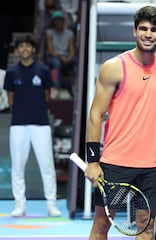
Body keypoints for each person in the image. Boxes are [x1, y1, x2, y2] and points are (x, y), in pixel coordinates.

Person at [84, 6, 156, 240]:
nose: (148, 34)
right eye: (143, 28)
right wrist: (92, 161)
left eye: (154, 29)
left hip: (152, 166)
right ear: (134, 31)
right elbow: (95, 115)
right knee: (102, 225)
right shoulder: (113, 67)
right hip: (116, 164)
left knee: (146, 227)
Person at [3, 34, 61, 217]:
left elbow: (47, 95)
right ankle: (19, 205)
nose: (25, 49)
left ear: (33, 49)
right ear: (17, 50)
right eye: (21, 47)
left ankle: (51, 204)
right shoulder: (11, 72)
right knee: (18, 167)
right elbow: (10, 99)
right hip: (18, 125)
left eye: (28, 46)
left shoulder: (43, 70)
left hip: (41, 124)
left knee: (47, 165)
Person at [45, 10, 75, 92]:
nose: (58, 22)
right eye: (56, 20)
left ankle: (76, 87)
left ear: (63, 21)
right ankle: (55, 88)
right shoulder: (49, 33)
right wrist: (61, 57)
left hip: (66, 56)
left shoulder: (70, 34)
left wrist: (69, 58)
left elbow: (72, 50)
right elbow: (51, 51)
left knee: (78, 61)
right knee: (56, 63)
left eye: (60, 20)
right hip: (54, 56)